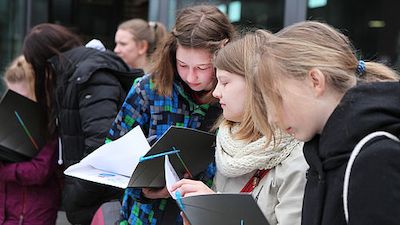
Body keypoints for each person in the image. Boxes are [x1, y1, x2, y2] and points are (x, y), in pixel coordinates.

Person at [250, 21, 400, 225]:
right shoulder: (321, 156)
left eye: (277, 99)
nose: (272, 118)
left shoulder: (375, 159)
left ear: (315, 81)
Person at [106, 5, 236, 225]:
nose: (191, 76)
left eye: (203, 67)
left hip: (201, 218)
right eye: (183, 65)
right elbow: (113, 150)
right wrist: (144, 191)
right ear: (172, 53)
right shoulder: (148, 88)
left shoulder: (234, 98)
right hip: (142, 217)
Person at [171, 31, 308, 225]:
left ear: (258, 86)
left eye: (225, 82)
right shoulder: (229, 142)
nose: (216, 92)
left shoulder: (299, 159)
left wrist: (217, 213)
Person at [22, 23, 144, 225]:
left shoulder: (90, 75)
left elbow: (102, 147)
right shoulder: (77, 73)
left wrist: (75, 196)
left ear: (41, 61)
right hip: (98, 200)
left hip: (103, 201)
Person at [0, 55, 62, 225]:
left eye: (22, 98)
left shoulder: (48, 124)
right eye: (11, 96)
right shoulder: (7, 116)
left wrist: (5, 171)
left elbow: (39, 171)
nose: (16, 104)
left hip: (33, 214)